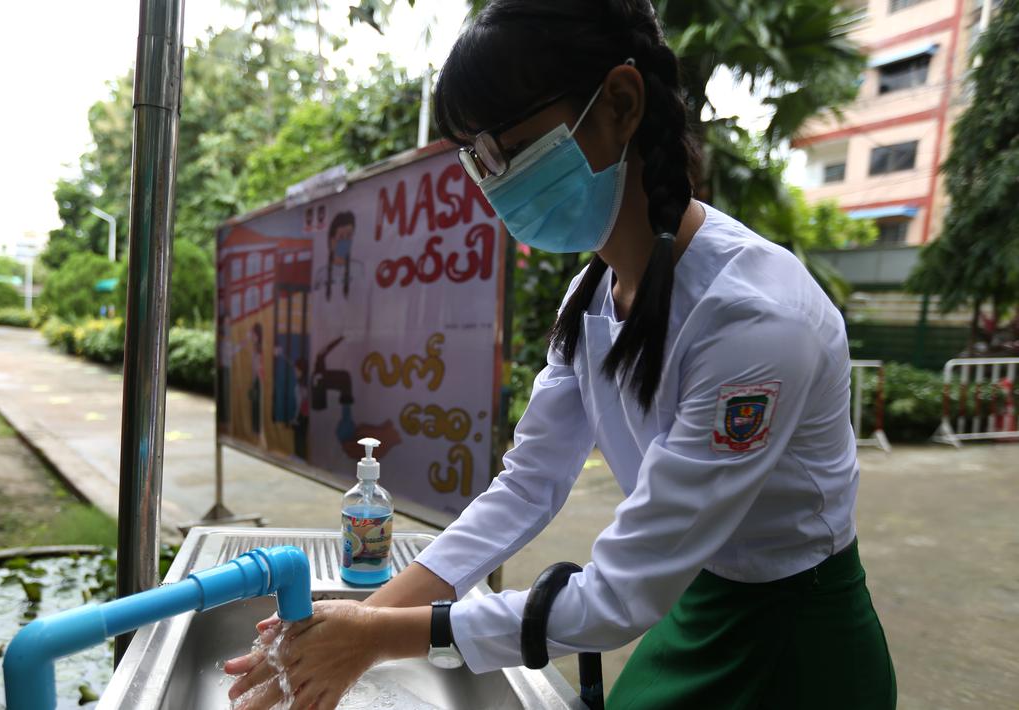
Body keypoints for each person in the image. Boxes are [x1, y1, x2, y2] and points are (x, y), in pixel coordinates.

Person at [225, 1, 897, 708]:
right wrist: (360, 623)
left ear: (618, 103)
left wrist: (376, 638)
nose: (493, 182)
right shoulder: (593, 294)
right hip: (694, 600)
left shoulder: (755, 322)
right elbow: (526, 488)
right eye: (475, 159)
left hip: (794, 639)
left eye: (506, 148)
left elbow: (613, 600)